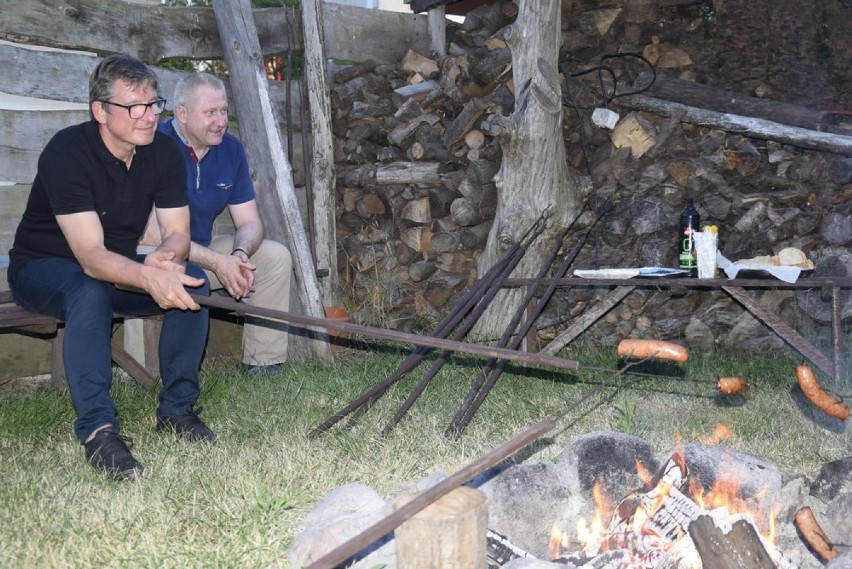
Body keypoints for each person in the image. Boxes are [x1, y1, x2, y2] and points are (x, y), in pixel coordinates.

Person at [8, 55, 214, 481]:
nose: (148, 116)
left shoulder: (162, 152)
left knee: (193, 278)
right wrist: (147, 275)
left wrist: (167, 258)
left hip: (112, 263)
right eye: (134, 107)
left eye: (154, 105)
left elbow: (177, 231)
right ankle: (98, 431)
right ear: (100, 111)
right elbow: (89, 256)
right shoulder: (67, 152)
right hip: (43, 269)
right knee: (89, 289)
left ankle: (176, 410)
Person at [142, 72, 292, 375]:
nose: (220, 121)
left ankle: (263, 365)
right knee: (152, 262)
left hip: (201, 250)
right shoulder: (152, 145)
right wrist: (219, 263)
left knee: (275, 257)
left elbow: (250, 222)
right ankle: (143, 374)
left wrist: (239, 255)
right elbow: (154, 236)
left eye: (223, 111)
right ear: (181, 114)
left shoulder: (230, 149)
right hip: (153, 252)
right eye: (210, 112)